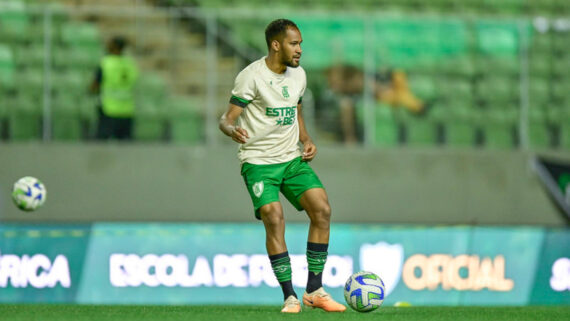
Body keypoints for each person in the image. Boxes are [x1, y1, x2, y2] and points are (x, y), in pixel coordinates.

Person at [219, 19, 346, 314]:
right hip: (259, 162)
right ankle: (290, 296)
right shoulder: (250, 77)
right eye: (294, 43)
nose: (300, 49)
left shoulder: (298, 75)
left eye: (300, 43)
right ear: (276, 45)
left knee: (322, 210)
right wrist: (231, 130)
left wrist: (305, 137)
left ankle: (314, 290)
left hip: (291, 159)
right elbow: (225, 118)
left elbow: (296, 109)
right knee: (273, 217)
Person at [90, 36, 138, 140]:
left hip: (109, 110)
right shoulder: (129, 64)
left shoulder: (106, 63)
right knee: (125, 147)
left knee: (101, 143)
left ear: (114, 47)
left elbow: (94, 86)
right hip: (127, 110)